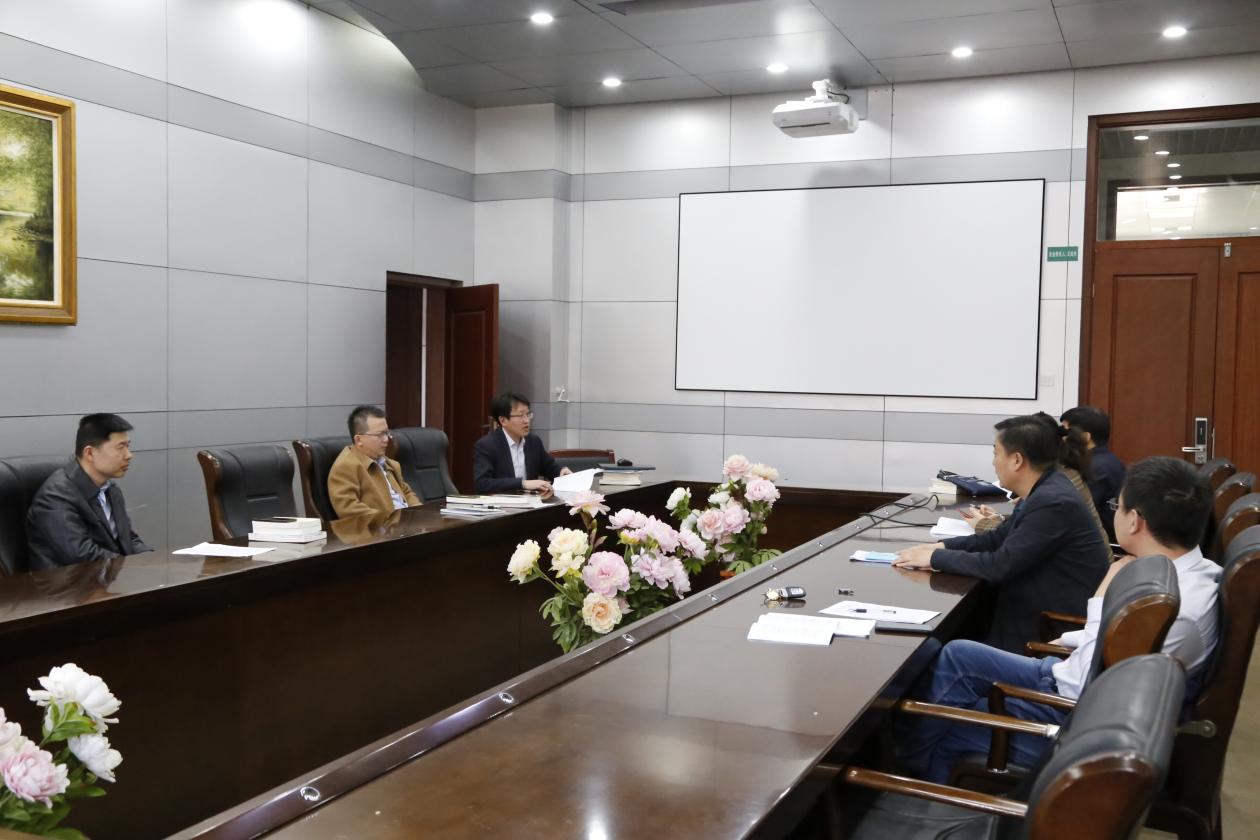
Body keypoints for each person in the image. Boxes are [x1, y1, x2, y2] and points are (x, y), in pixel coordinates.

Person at [896, 456, 1218, 783]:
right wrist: (1070, 638)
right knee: (958, 654)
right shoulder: (1194, 572)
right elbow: (1114, 649)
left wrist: (1102, 594)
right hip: (1069, 678)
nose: (1115, 514)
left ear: (1134, 521)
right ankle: (905, 754)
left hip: (1073, 718)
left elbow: (1089, 685)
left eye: (1116, 507)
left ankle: (908, 783)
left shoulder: (1168, 607)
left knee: (948, 724)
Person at [894, 414, 1110, 653]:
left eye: (996, 453)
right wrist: (941, 547)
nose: (994, 462)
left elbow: (1000, 565)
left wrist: (935, 559)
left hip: (1047, 630)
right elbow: (998, 538)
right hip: (1031, 612)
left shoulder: (1053, 501)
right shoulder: (1046, 488)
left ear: (1016, 460)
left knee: (944, 646)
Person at [962, 412, 1112, 558]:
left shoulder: (1055, 492)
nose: (993, 462)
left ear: (1019, 458)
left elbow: (1018, 548)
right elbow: (1028, 530)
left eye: (996, 454)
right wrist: (999, 519)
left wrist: (986, 525)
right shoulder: (1053, 478)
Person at [27, 413, 152, 570]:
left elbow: (128, 539)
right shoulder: (55, 497)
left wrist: (155, 560)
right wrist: (133, 567)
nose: (129, 455)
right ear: (90, 453)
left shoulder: (111, 490)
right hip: (67, 583)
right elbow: (83, 556)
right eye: (120, 447)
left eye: (128, 446)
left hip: (107, 578)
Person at [327, 405, 421, 518]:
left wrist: (420, 513)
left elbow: (406, 492)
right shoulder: (345, 467)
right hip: (382, 527)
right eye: (379, 435)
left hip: (409, 524)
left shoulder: (388, 463)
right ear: (359, 440)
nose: (386, 439)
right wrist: (391, 521)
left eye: (386, 433)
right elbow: (349, 510)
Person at [472, 392, 571, 496]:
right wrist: (522, 484)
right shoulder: (486, 446)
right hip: (501, 504)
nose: (526, 421)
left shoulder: (533, 441)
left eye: (528, 414)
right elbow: (482, 484)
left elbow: (549, 467)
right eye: (520, 415)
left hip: (532, 502)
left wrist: (561, 471)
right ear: (503, 420)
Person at [1061, 405, 1126, 542]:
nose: (1061, 438)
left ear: (1085, 437)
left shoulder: (1096, 467)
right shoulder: (1107, 460)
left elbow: (1074, 511)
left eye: (1065, 432)